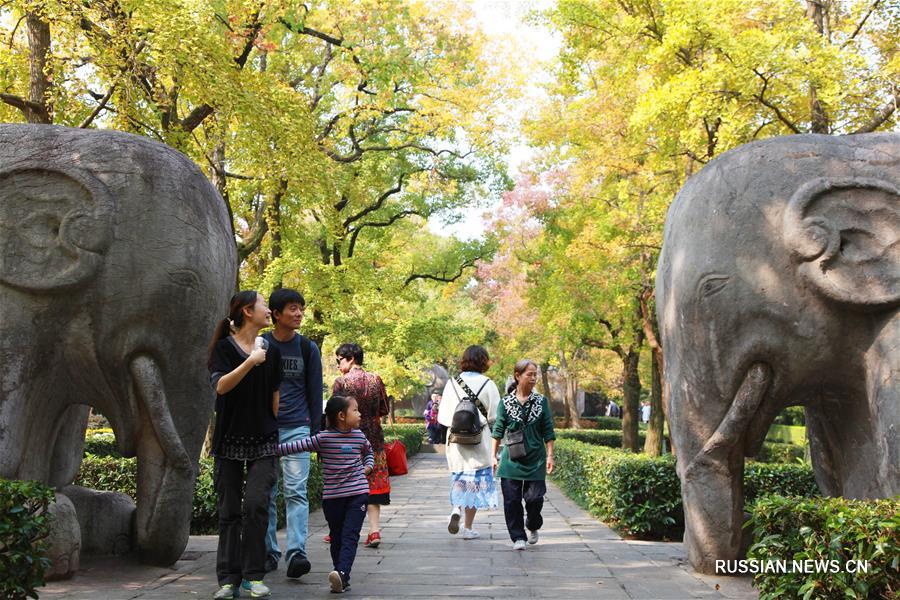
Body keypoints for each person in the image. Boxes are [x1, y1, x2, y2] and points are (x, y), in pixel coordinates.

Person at [208, 291, 283, 599]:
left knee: (255, 505)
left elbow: (275, 401)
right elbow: (221, 386)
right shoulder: (224, 349)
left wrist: (267, 424)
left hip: (264, 442)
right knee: (229, 511)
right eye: (265, 305)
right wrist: (251, 362)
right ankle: (228, 579)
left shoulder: (273, 352)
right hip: (228, 441)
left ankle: (253, 576)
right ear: (248, 311)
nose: (270, 310)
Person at [277, 396, 373, 594]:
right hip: (333, 498)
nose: (360, 414)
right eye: (355, 410)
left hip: (358, 494)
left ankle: (342, 573)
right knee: (336, 537)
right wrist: (270, 450)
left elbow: (369, 451)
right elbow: (296, 446)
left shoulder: (359, 436)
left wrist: (368, 466)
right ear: (341, 416)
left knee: (350, 536)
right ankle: (340, 577)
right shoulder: (324, 438)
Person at [262, 288, 323, 578]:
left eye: (301, 308)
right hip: (265, 429)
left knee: (296, 491)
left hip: (297, 428)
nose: (299, 314)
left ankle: (297, 553)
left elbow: (314, 391)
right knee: (267, 492)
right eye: (292, 308)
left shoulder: (307, 348)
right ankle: (269, 552)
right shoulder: (260, 346)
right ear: (275, 314)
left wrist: (315, 434)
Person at [436, 345, 501, 539]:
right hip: (479, 440)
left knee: (460, 477)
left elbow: (444, 418)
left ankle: (456, 507)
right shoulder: (488, 383)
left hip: (456, 441)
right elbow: (495, 415)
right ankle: (468, 528)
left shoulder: (452, 383)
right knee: (474, 482)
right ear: (483, 361)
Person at [491, 359, 555, 551]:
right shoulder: (506, 402)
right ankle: (518, 537)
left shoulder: (541, 402)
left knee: (535, 499)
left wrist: (550, 456)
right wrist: (493, 456)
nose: (534, 378)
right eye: (530, 374)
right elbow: (498, 430)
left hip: (536, 460)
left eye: (536, 374)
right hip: (511, 459)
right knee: (511, 501)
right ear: (517, 376)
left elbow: (548, 431)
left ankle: (533, 525)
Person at [332, 343, 390, 548]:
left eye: (339, 360)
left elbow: (334, 415)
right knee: (373, 486)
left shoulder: (341, 383)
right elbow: (384, 408)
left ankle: (338, 530)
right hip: (374, 439)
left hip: (347, 440)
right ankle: (374, 531)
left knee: (345, 485)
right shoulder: (376, 379)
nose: (338, 365)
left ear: (351, 359)